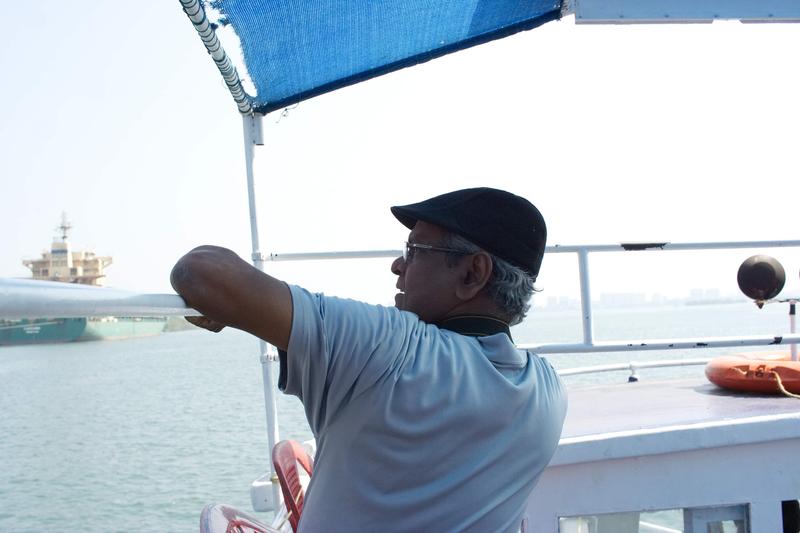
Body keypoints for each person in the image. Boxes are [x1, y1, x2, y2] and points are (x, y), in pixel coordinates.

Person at [171, 187, 567, 532]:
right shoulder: (549, 391)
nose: (398, 265)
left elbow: (201, 272)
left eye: (415, 250)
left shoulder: (390, 350)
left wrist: (241, 310)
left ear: (472, 273)